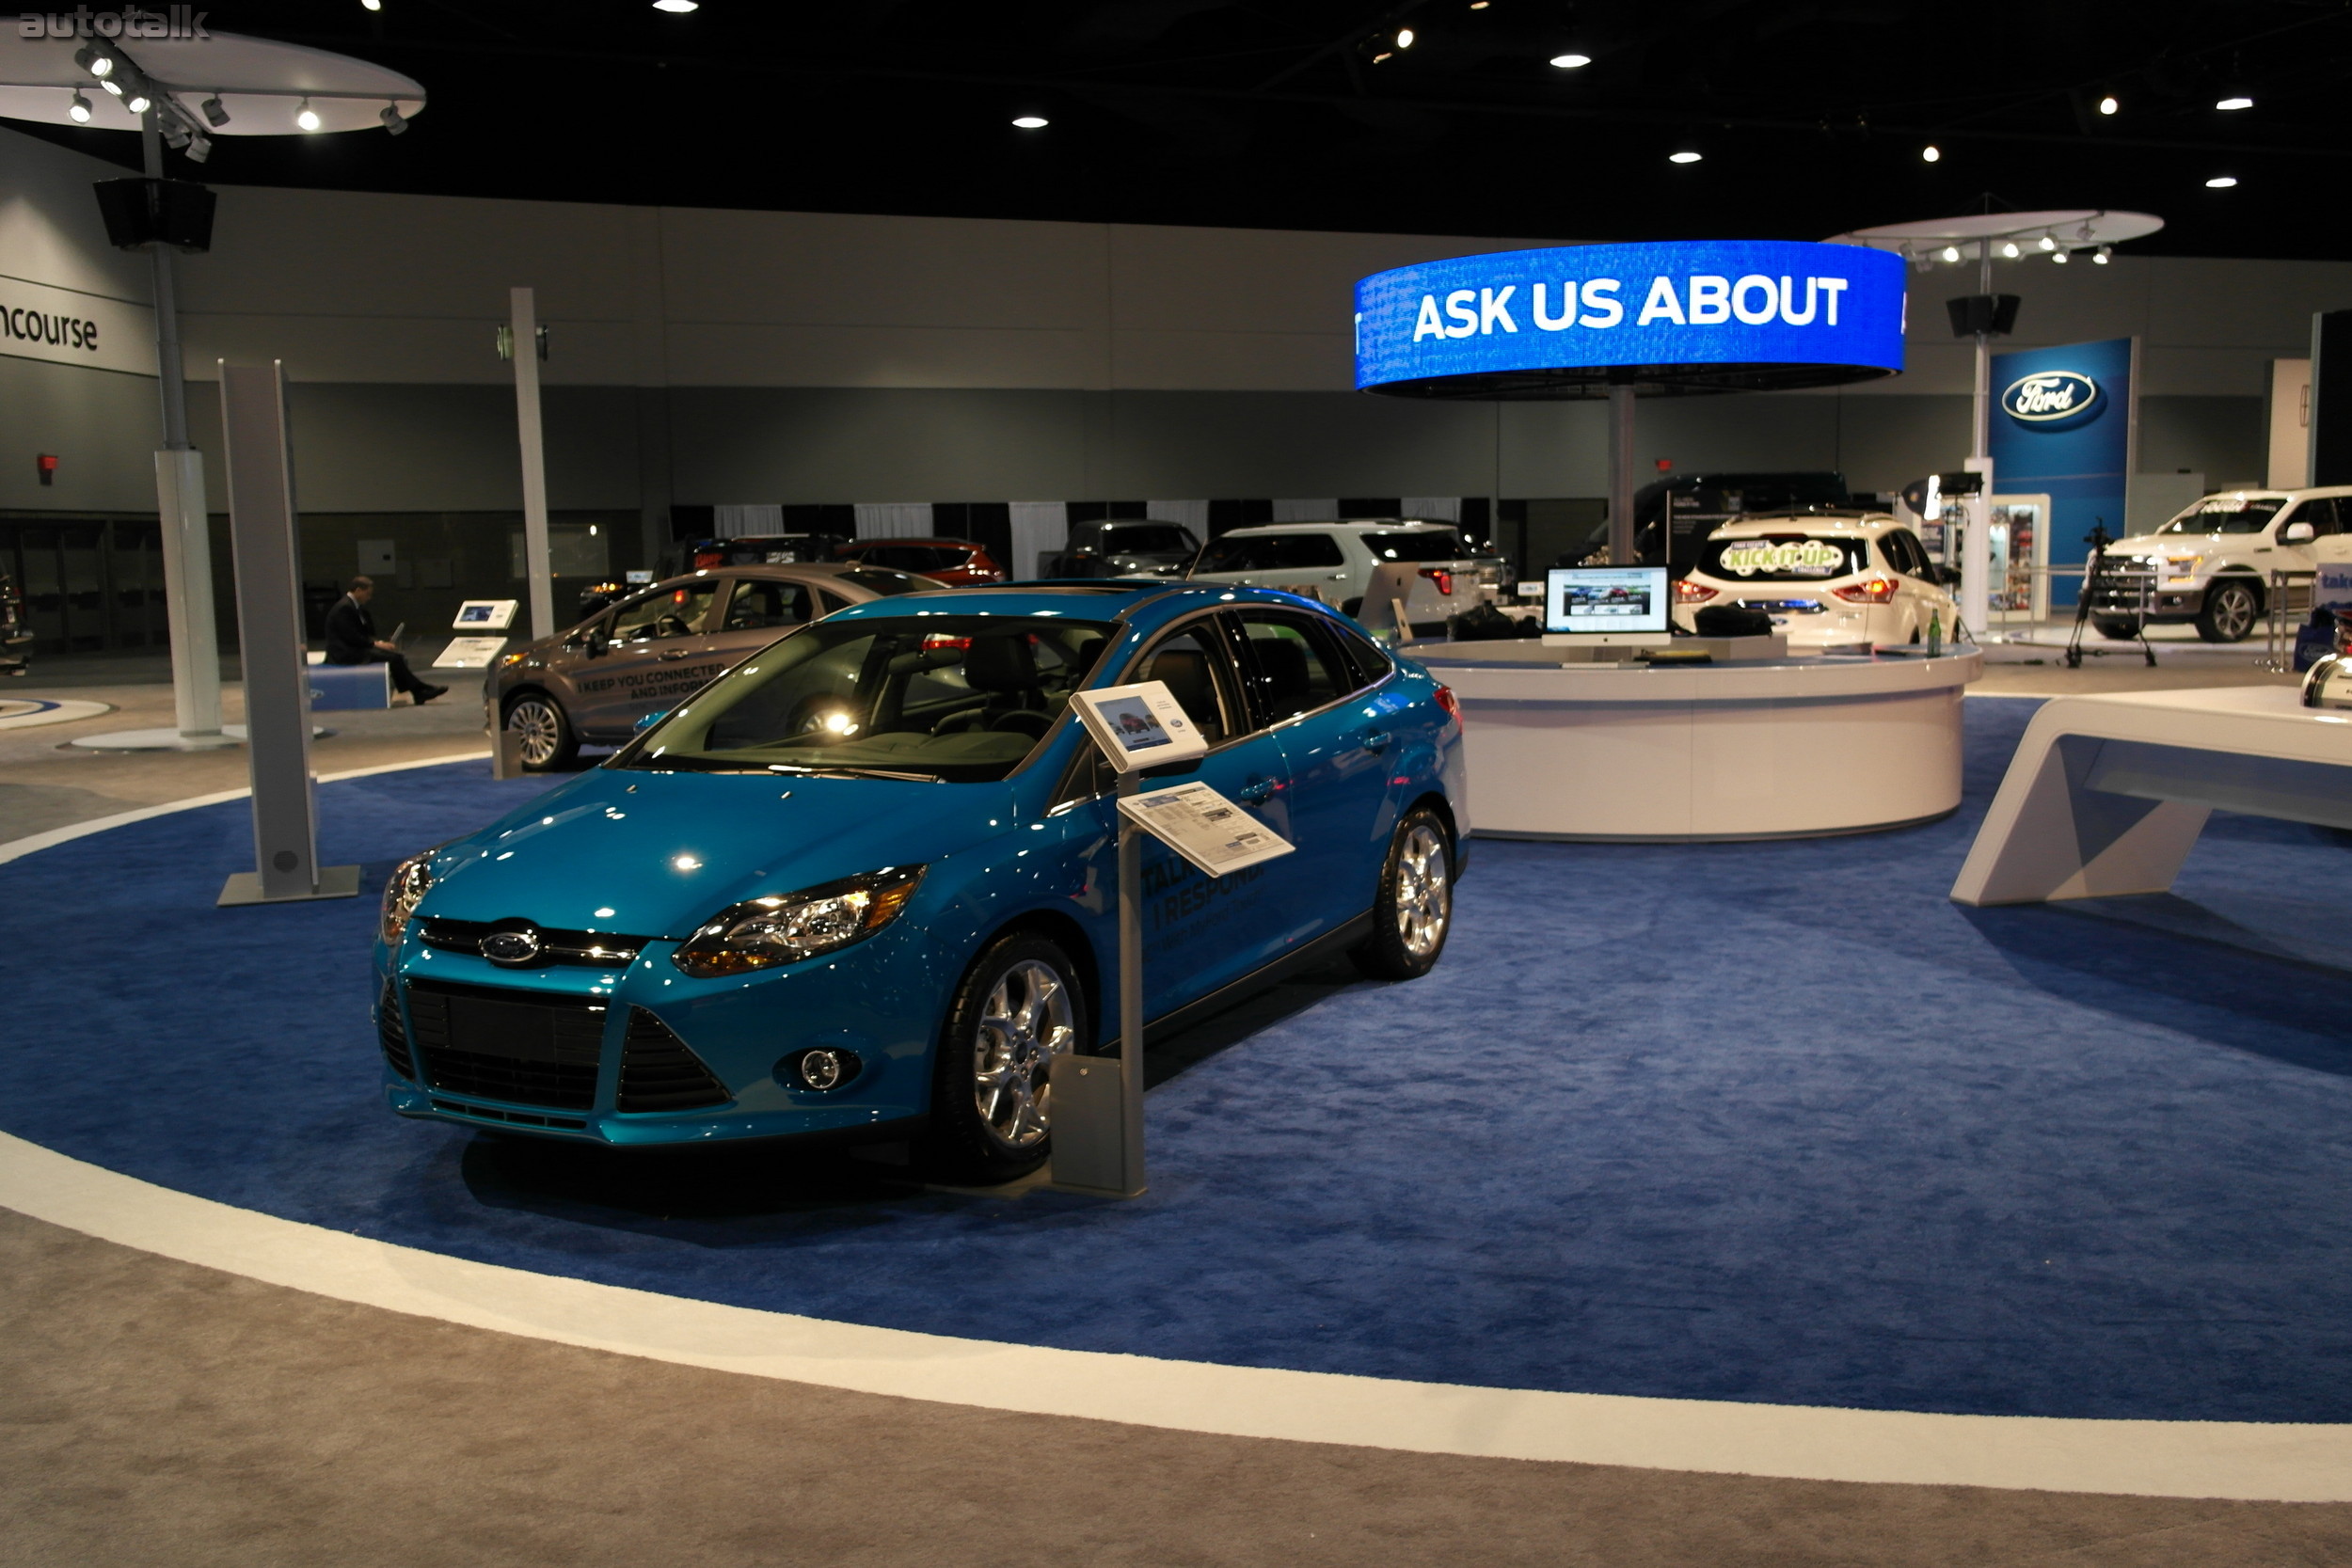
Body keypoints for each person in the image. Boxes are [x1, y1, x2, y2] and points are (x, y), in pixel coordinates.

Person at [325, 576, 446, 704]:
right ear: (358, 590)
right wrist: (376, 645)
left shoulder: (352, 607)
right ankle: (419, 690)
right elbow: (351, 637)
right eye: (368, 594)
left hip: (352, 648)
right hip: (344, 654)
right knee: (394, 658)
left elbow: (359, 634)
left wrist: (377, 643)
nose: (369, 598)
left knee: (395, 656)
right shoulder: (345, 608)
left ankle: (418, 690)